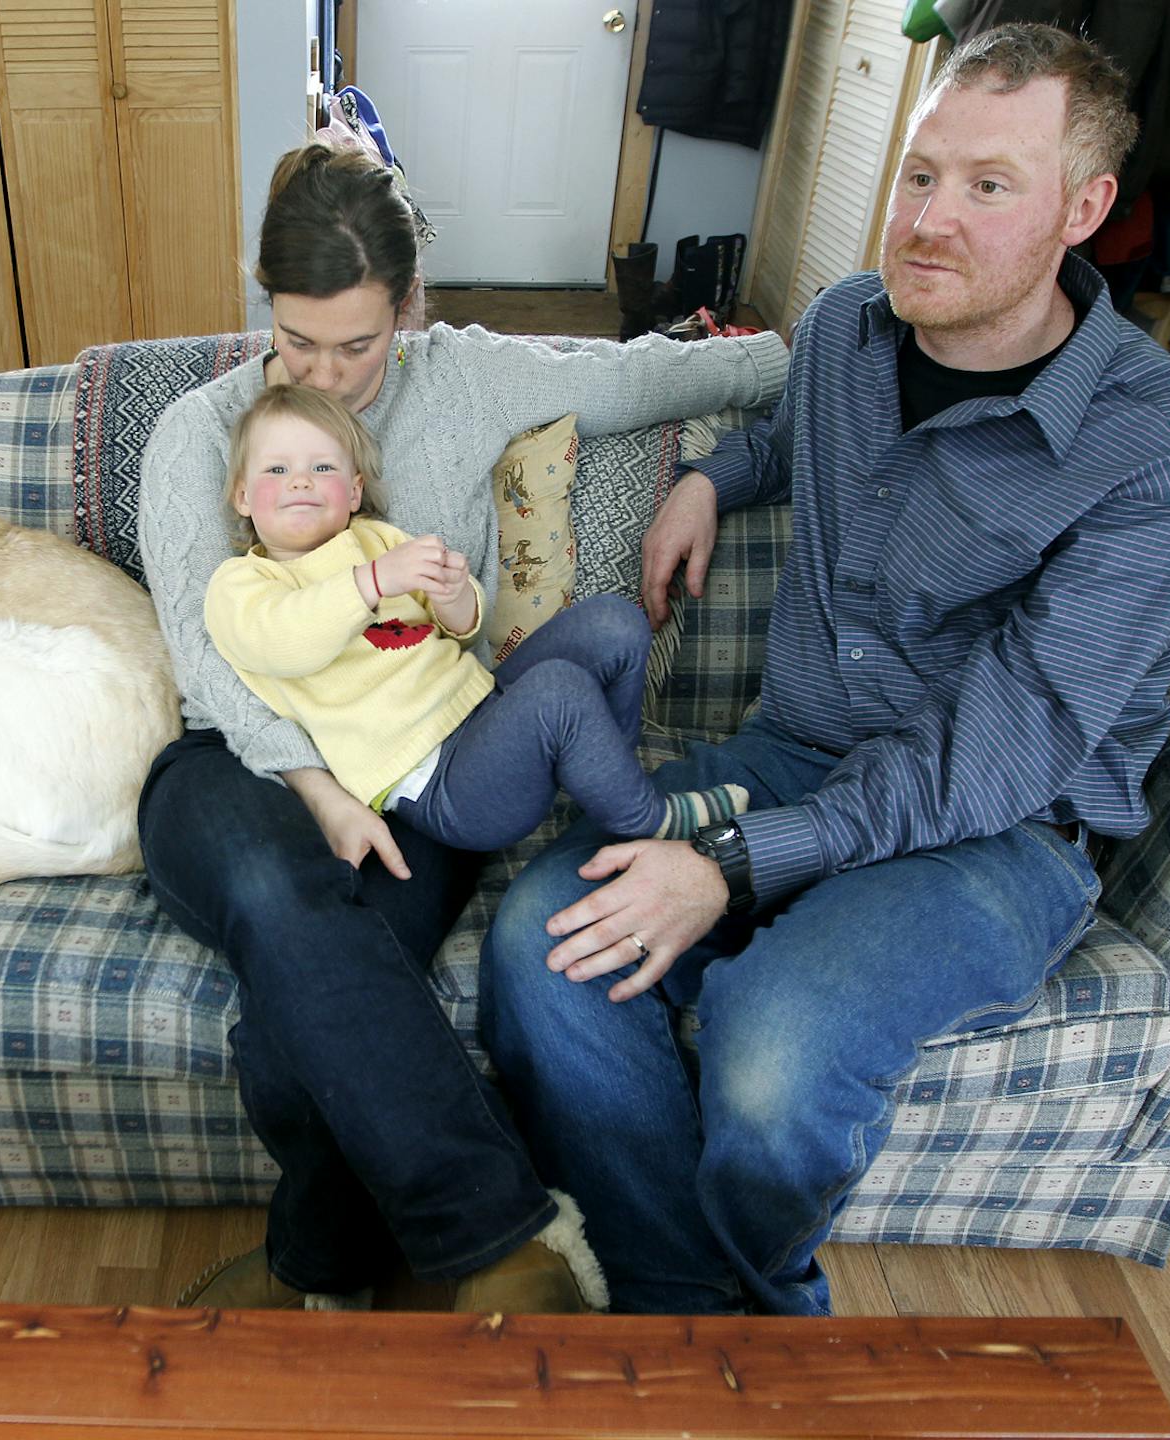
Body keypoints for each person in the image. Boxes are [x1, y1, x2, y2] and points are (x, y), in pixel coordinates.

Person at [482, 22, 1170, 1318]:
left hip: (998, 832)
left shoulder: (1163, 450)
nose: (931, 220)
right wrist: (713, 483)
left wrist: (723, 867)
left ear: (1085, 208)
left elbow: (990, 757)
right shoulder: (845, 324)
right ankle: (691, 1317)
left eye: (989, 186)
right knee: (543, 942)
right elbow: (789, 431)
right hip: (789, 754)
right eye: (920, 174)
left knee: (774, 1052)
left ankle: (739, 1312)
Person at [138, 142, 789, 1313]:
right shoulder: (204, 430)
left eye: (359, 343)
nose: (327, 377)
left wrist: (797, 374)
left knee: (307, 1009)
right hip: (240, 764)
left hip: (420, 767)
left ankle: (316, 1277)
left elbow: (662, 380)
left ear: (411, 307)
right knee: (290, 899)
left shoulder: (472, 379)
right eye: (296, 341)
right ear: (264, 310)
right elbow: (204, 655)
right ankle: (504, 1239)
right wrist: (318, 791)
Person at [206, 383, 748, 853]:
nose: (300, 480)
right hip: (441, 784)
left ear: (352, 492)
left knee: (613, 621)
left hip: (482, 708)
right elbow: (283, 642)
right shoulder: (244, 585)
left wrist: (452, 596)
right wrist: (375, 581)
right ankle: (645, 820)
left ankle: (609, 781)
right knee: (558, 689)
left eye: (321, 467)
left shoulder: (378, 542)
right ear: (243, 496)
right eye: (277, 469)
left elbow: (460, 631)